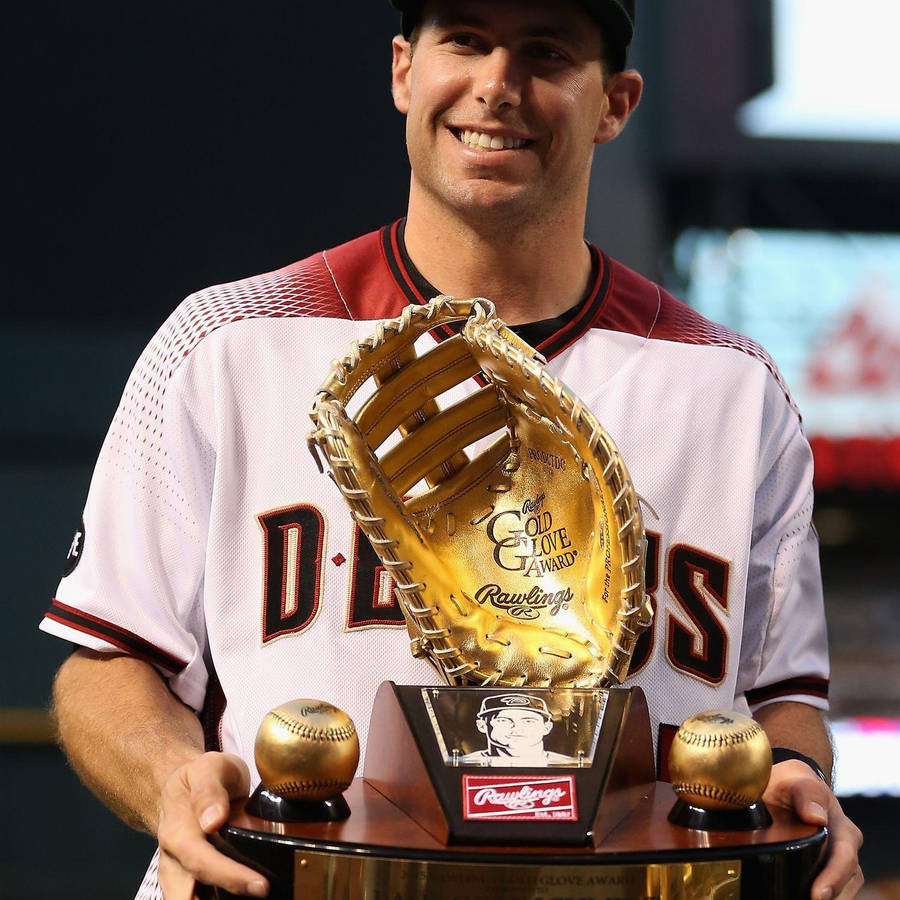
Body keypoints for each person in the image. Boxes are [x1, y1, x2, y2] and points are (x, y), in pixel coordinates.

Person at [43, 0, 863, 898]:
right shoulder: (228, 343)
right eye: (465, 39)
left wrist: (800, 781)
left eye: (547, 53)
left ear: (615, 103)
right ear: (403, 70)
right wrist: (171, 779)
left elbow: (786, 701)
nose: (498, 86)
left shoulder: (732, 388)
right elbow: (108, 665)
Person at [457, 695, 580, 766]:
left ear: (546, 728)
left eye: (528, 721)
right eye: (503, 720)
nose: (517, 728)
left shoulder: (568, 764)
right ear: (482, 725)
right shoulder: (464, 764)